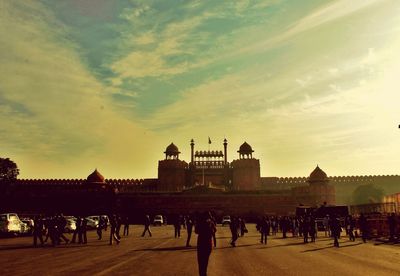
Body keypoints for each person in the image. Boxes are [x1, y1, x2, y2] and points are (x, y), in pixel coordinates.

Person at [195, 212, 216, 276]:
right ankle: (204, 273)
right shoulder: (211, 222)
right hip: (208, 243)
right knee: (205, 261)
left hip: (201, 243)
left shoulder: (200, 222)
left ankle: (201, 274)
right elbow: (214, 230)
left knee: (200, 261)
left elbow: (196, 231)